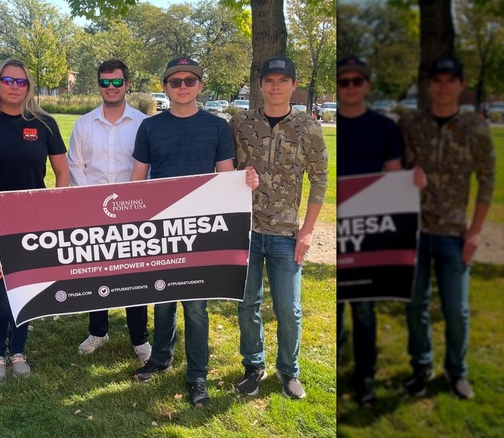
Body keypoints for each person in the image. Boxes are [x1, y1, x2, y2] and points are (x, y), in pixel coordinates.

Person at [129, 57, 259, 407]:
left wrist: (244, 183)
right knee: (162, 299)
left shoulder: (217, 127)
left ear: (200, 85)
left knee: (196, 307)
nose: (183, 86)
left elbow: (225, 175)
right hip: (160, 228)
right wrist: (131, 219)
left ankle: (197, 375)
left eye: (190, 81)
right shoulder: (150, 127)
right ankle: (160, 358)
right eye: (175, 82)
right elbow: (137, 179)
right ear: (165, 87)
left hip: (201, 229)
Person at [230, 55, 328, 400]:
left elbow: (320, 180)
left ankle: (288, 371)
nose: (275, 87)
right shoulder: (240, 123)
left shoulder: (308, 128)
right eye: (269, 81)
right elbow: (224, 169)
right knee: (247, 304)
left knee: (289, 309)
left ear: (294, 85)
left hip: (287, 234)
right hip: (245, 230)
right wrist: (240, 177)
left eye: (282, 81)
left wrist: (308, 230)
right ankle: (253, 366)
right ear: (260, 85)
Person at [399, 56, 495, 400]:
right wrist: (407, 176)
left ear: (461, 85)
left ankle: (457, 372)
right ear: (429, 86)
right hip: (415, 231)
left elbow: (487, 181)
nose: (443, 87)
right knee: (416, 306)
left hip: (454, 234)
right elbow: (393, 169)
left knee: (457, 310)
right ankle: (421, 367)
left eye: (450, 81)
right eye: (437, 81)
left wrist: (475, 231)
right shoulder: (412, 124)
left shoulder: (475, 128)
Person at [0, 58, 69, 382]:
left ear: (28, 87)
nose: (14, 87)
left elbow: (62, 173)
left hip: (32, 219)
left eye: (21, 82)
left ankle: (18, 350)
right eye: (8, 80)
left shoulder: (44, 123)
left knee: (24, 289)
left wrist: (52, 212)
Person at [67, 59, 151, 363]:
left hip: (135, 211)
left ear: (127, 84)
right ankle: (98, 331)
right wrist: (92, 205)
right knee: (96, 274)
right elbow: (75, 166)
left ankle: (140, 338)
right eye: (105, 82)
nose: (111, 87)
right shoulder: (84, 124)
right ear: (99, 85)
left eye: (117, 82)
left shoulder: (143, 123)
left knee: (135, 277)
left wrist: (135, 204)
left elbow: (150, 167)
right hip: (93, 210)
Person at [335, 56, 403, 405]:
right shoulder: (331, 127)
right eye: (343, 81)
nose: (350, 87)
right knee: (338, 306)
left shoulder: (385, 128)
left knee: (363, 309)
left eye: (356, 81)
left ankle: (365, 378)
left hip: (369, 228)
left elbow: (394, 177)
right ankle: (337, 365)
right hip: (338, 226)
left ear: (367, 86)